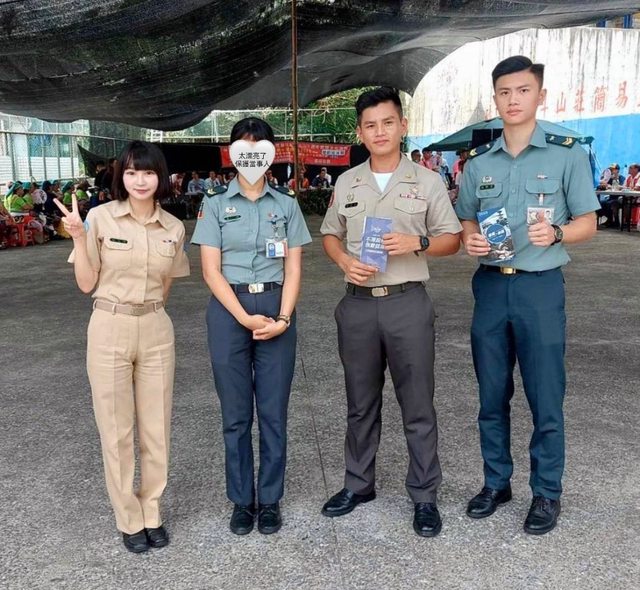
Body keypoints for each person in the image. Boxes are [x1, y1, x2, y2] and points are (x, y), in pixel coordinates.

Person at [456, 56, 598, 535]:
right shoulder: (479, 163)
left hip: (540, 288)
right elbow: (467, 217)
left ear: (540, 95)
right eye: (504, 92)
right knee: (491, 394)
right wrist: (471, 239)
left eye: (522, 90)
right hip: (491, 287)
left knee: (545, 395)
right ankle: (496, 483)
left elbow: (588, 222)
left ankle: (546, 491)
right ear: (494, 98)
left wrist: (557, 233)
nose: (513, 100)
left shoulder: (566, 154)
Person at [320, 87, 462, 538]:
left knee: (417, 404)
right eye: (370, 125)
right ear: (359, 133)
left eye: (387, 122)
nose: (379, 131)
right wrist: (344, 261)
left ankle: (424, 495)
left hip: (407, 303)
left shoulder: (427, 181)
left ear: (402, 126)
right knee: (360, 404)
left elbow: (452, 240)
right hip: (358, 305)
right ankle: (358, 485)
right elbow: (329, 234)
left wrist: (416, 242)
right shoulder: (347, 182)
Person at [56, 140, 190, 553]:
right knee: (116, 430)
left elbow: (166, 285)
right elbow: (86, 283)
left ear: (160, 177)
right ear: (121, 176)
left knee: (156, 428)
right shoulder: (100, 218)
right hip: (108, 326)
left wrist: (148, 312)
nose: (140, 180)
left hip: (155, 327)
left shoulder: (173, 227)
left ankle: (152, 511)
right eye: (131, 172)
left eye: (148, 172)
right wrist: (78, 237)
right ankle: (128, 519)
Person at [191, 117, 311, 536]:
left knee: (274, 413)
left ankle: (271, 499)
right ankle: (242, 500)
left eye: (260, 148)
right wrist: (242, 317)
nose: (253, 156)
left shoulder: (287, 203)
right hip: (230, 310)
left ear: (271, 154)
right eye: (245, 148)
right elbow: (210, 270)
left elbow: (294, 268)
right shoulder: (214, 203)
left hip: (276, 305)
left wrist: (284, 318)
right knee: (236, 414)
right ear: (233, 154)